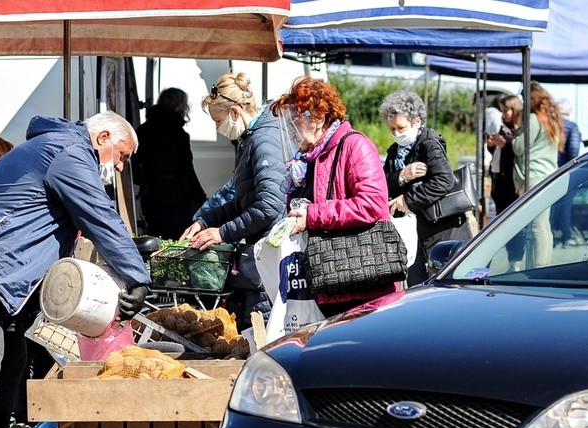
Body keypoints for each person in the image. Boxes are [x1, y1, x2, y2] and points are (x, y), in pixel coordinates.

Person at [0, 111, 151, 428]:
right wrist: (137, 277)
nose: (120, 167)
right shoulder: (69, 152)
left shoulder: (64, 148)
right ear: (103, 138)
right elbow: (99, 217)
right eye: (122, 156)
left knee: (12, 357)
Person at [271, 77, 401, 317]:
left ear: (319, 118)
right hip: (327, 281)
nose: (290, 133)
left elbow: (372, 204)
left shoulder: (354, 145)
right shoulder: (306, 161)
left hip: (365, 286)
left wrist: (313, 216)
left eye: (295, 123)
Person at [180, 72, 286, 328]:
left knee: (264, 329)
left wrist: (222, 233)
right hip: (262, 257)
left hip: (272, 258)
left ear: (236, 112)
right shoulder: (250, 139)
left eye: (218, 120)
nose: (218, 128)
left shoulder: (263, 140)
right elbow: (244, 200)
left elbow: (269, 206)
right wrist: (207, 221)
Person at [380, 90, 473, 286]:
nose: (397, 134)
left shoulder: (429, 144)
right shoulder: (394, 152)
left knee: (444, 287)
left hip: (443, 231)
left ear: (417, 121)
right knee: (416, 287)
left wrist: (407, 200)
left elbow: (444, 181)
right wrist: (402, 175)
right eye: (392, 129)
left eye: (401, 127)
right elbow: (382, 184)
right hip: (413, 233)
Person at [500, 81, 566, 270]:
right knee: (543, 226)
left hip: (534, 176)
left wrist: (509, 140)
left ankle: (539, 266)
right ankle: (541, 263)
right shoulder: (550, 119)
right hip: (548, 175)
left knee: (537, 227)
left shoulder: (534, 119)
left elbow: (521, 147)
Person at [132, 88, 207, 239]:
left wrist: (144, 181)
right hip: (176, 198)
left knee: (155, 237)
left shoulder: (143, 130)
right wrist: (201, 198)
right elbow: (187, 170)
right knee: (177, 241)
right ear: (180, 106)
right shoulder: (178, 134)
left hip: (151, 196)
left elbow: (133, 164)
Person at [552, 98, 583, 247]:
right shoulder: (572, 127)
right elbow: (574, 151)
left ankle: (553, 234)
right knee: (566, 205)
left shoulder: (552, 125)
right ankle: (566, 236)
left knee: (551, 205)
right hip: (567, 170)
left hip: (551, 170)